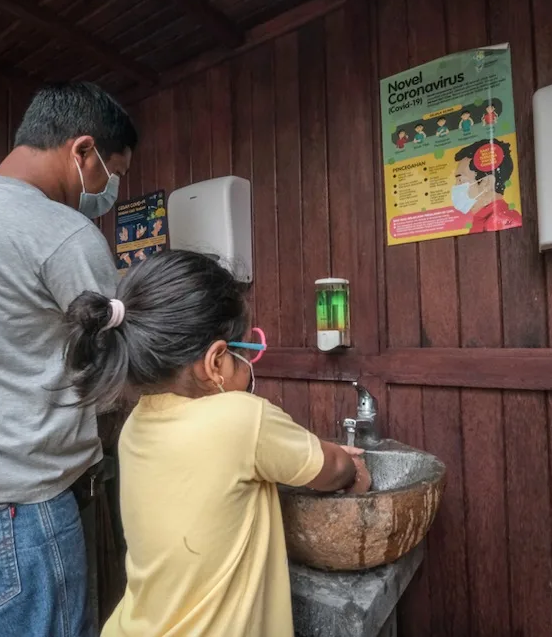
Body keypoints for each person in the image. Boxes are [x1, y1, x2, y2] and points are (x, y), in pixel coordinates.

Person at [0, 82, 137, 637]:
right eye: (115, 175)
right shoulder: (63, 233)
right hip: (14, 512)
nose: (112, 191)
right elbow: (119, 365)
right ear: (82, 152)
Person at [63, 250, 370, 637]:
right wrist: (354, 471)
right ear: (217, 362)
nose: (252, 361)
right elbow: (334, 471)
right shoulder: (242, 419)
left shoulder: (137, 423)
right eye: (248, 351)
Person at [451, 138, 522, 232]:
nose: (456, 186)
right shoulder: (483, 219)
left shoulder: (503, 222)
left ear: (487, 182)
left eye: (460, 180)